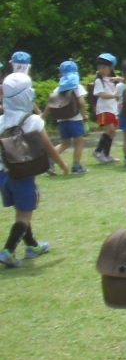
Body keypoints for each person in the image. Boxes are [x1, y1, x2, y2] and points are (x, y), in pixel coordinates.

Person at [0, 73, 68, 268]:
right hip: (23, 175)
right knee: (24, 215)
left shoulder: (2, 120)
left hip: (4, 175)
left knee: (21, 210)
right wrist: (63, 165)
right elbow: (48, 147)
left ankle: (32, 246)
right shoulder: (33, 121)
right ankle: (8, 251)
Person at [50, 60, 88, 175]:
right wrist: (84, 115)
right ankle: (76, 166)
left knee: (65, 143)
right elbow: (81, 102)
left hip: (62, 120)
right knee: (79, 142)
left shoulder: (58, 89)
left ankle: (50, 161)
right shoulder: (77, 87)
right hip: (75, 119)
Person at [93, 53, 122, 164]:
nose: (101, 70)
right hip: (104, 109)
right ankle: (98, 151)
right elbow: (100, 94)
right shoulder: (98, 80)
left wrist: (119, 79)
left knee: (113, 131)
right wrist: (114, 96)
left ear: (111, 68)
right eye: (99, 67)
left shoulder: (113, 79)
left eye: (104, 67)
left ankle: (107, 154)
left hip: (113, 109)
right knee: (109, 130)